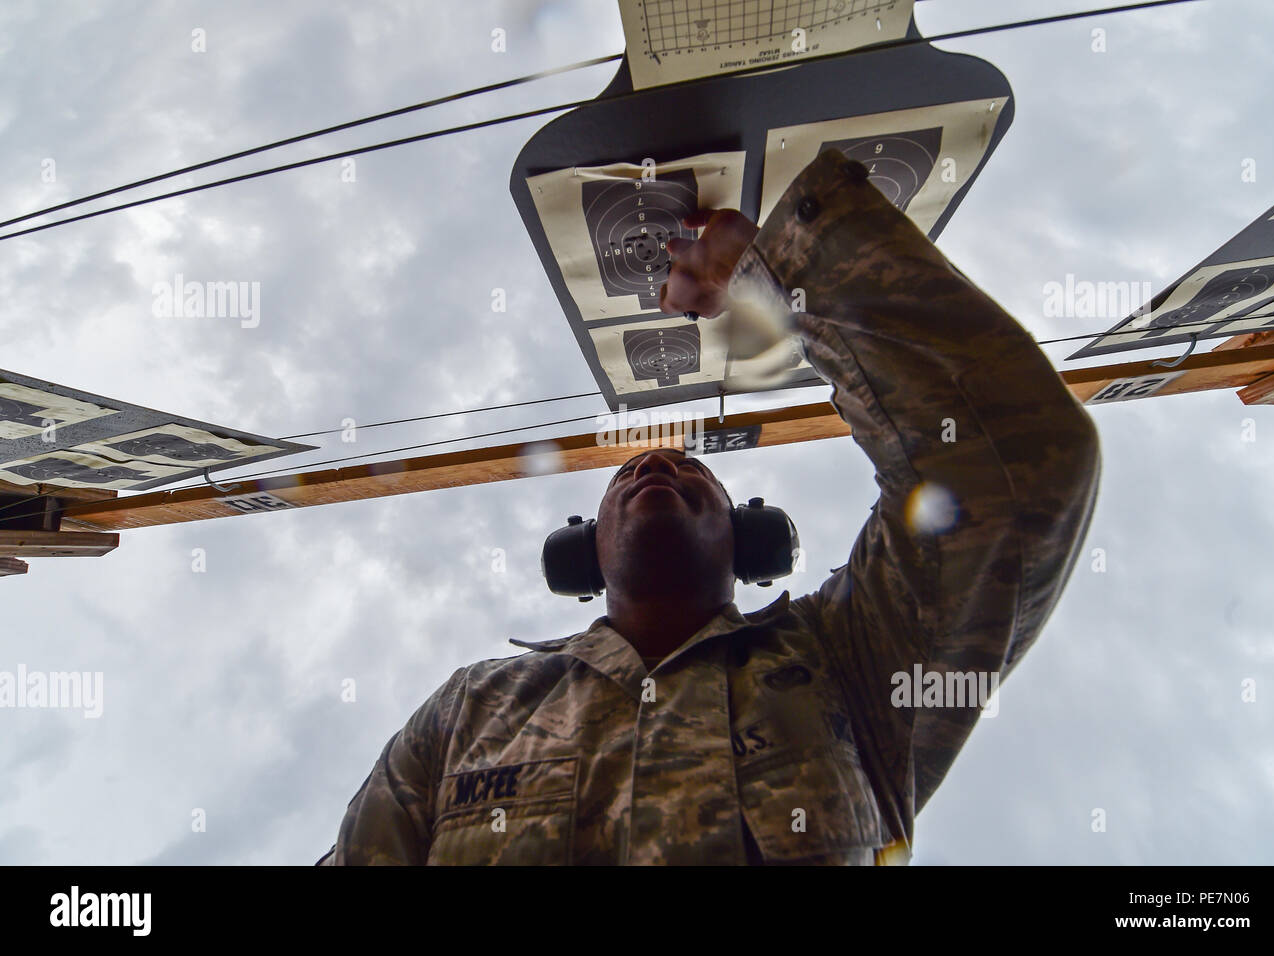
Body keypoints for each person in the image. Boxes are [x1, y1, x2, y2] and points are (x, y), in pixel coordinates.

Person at [316, 149, 1101, 865]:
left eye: (693, 474)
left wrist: (777, 273)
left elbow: (1010, 474)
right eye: (631, 473)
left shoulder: (854, 665)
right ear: (590, 546)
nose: (656, 462)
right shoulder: (472, 708)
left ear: (742, 537)